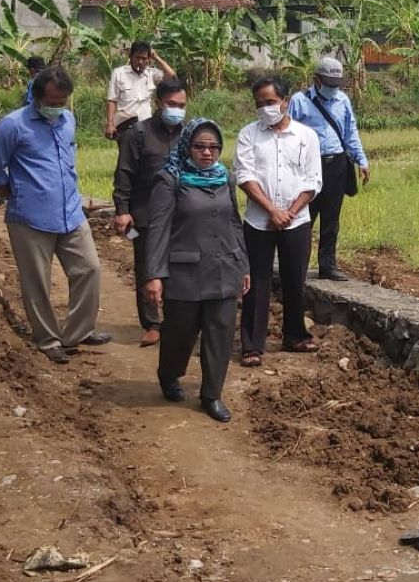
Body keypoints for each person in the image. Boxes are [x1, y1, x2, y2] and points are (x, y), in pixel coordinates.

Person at [0, 66, 111, 364]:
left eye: (63, 101)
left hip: (70, 212)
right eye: (52, 102)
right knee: (37, 281)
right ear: (37, 98)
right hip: (30, 217)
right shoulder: (13, 125)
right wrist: (9, 192)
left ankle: (77, 332)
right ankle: (48, 339)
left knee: (89, 269)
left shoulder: (68, 120)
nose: (58, 108)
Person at [142, 119, 249, 423]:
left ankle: (211, 394)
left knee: (220, 334)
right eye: (200, 146)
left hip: (224, 267)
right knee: (179, 333)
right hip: (185, 272)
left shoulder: (224, 178)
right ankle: (169, 374)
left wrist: (243, 264)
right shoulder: (170, 179)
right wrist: (154, 275)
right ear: (187, 146)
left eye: (213, 147)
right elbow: (158, 229)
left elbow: (233, 223)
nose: (207, 152)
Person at [235, 75, 322, 367]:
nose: (265, 108)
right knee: (256, 283)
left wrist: (290, 212)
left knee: (294, 279)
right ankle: (252, 345)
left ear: (285, 101)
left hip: (297, 222)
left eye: (270, 102)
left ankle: (295, 335)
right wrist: (272, 210)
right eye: (259, 103)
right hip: (259, 221)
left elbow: (312, 180)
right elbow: (244, 176)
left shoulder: (306, 136)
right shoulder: (249, 134)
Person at [112, 79, 188, 347]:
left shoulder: (189, 133)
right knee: (146, 266)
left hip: (181, 216)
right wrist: (122, 210)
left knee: (180, 267)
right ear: (159, 103)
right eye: (171, 104)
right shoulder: (138, 133)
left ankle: (178, 320)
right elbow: (124, 173)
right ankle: (152, 323)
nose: (177, 110)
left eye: (182, 105)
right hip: (143, 215)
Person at [287, 57, 370, 281]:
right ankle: (298, 266)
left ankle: (327, 266)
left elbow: (350, 132)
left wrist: (361, 160)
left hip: (337, 165)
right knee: (305, 217)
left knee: (331, 219)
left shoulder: (342, 100)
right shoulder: (299, 101)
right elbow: (288, 136)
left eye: (337, 84)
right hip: (309, 166)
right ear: (317, 79)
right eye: (329, 83)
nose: (334, 89)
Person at [106, 41, 176, 142]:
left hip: (146, 126)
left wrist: (156, 57)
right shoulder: (119, 73)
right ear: (130, 57)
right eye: (137, 58)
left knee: (147, 156)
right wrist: (110, 124)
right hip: (126, 127)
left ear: (148, 59)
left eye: (144, 59)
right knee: (127, 157)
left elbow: (172, 78)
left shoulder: (151, 74)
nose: (140, 62)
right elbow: (112, 100)